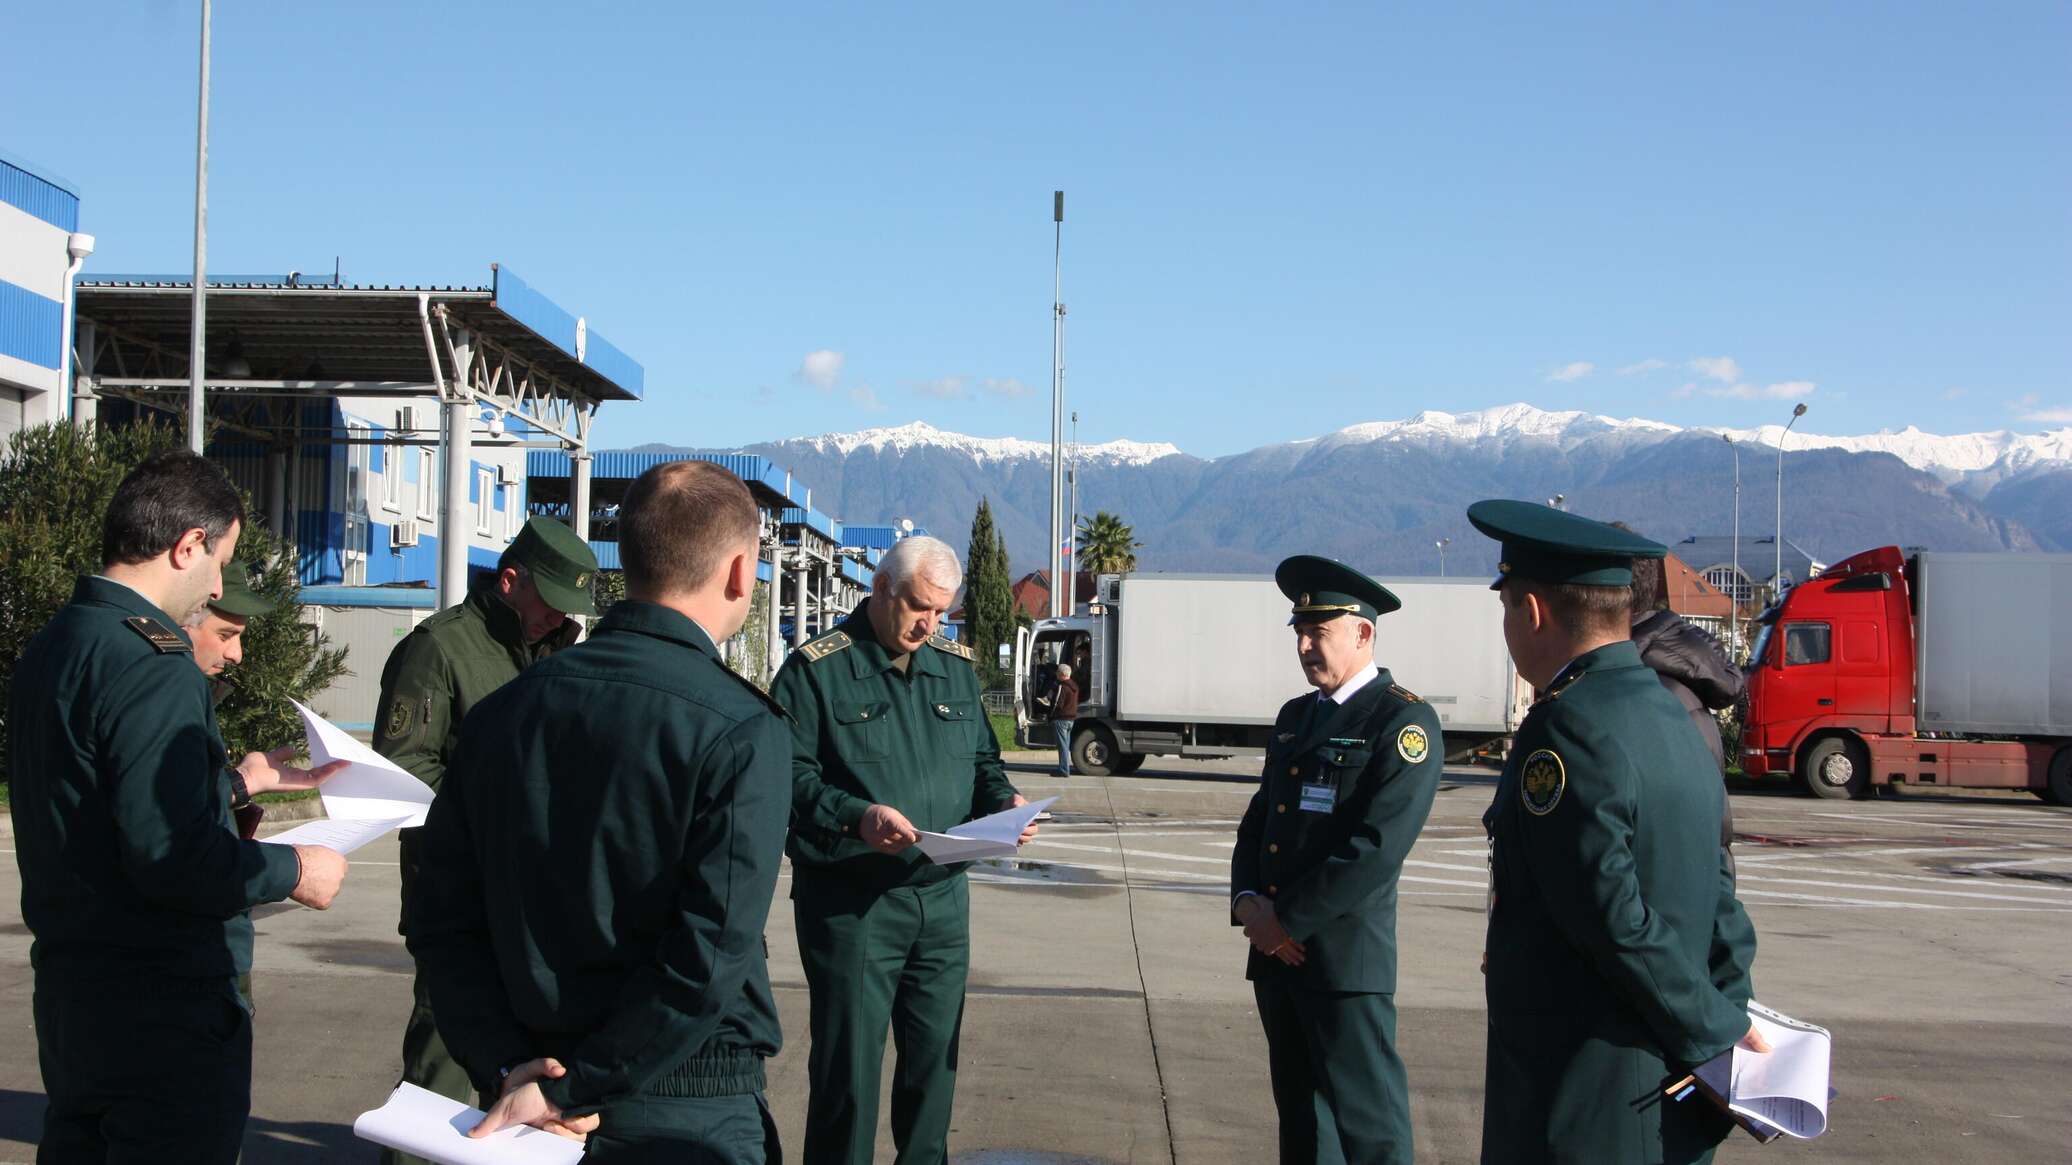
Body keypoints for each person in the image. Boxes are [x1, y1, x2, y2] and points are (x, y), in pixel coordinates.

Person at [406, 462, 791, 1159]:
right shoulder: (739, 730)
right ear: (740, 571)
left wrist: (505, 1067)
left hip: (526, 1091)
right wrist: (570, 1087)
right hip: (680, 1103)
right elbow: (707, 957)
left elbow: (441, 923)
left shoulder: (500, 715)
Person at [10, 451, 348, 1164]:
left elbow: (104, 805)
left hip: (77, 999)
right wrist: (294, 869)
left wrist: (235, 783)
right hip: (161, 1012)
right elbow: (175, 857)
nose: (217, 585)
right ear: (186, 544)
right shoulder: (154, 662)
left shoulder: (57, 644)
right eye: (218, 561)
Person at [1467, 499, 1764, 1164]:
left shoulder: (1567, 727)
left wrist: (1715, 1030)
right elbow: (1720, 897)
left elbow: (1609, 914)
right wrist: (1728, 1015)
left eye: (1508, 608)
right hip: (1671, 1095)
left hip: (1586, 1096)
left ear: (1533, 611)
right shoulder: (1677, 715)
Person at [771, 535, 1035, 1165]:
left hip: (942, 900)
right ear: (881, 588)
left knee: (933, 1070)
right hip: (855, 904)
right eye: (920, 606)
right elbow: (787, 775)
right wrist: (856, 817)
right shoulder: (817, 670)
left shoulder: (952, 665)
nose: (930, 623)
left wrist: (1003, 802)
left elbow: (982, 761)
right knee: (849, 1078)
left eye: (943, 612)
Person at [371, 513, 597, 1149]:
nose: (559, 618)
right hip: (458, 891)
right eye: (551, 604)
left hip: (538, 895)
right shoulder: (439, 648)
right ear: (510, 581)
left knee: (531, 1069)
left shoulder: (555, 650)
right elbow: (403, 763)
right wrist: (499, 813)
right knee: (442, 1064)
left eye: (567, 610)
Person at [1230, 555, 1444, 1164]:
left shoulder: (1402, 721)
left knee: (1369, 1129)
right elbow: (1260, 822)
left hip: (1343, 964)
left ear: (1362, 633)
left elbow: (1375, 848)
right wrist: (1248, 904)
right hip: (1276, 957)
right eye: (1299, 631)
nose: (1302, 645)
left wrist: (1285, 919)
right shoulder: (1297, 717)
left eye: (1317, 632)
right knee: (1302, 1124)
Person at [1051, 662, 1081, 776]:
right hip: (1071, 719)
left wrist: (1051, 715)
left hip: (1061, 718)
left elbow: (1058, 704)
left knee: (1062, 746)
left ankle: (1063, 770)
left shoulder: (1062, 686)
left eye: (1058, 672)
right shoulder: (1074, 686)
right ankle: (1064, 768)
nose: (1056, 674)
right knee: (1066, 745)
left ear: (1062, 674)